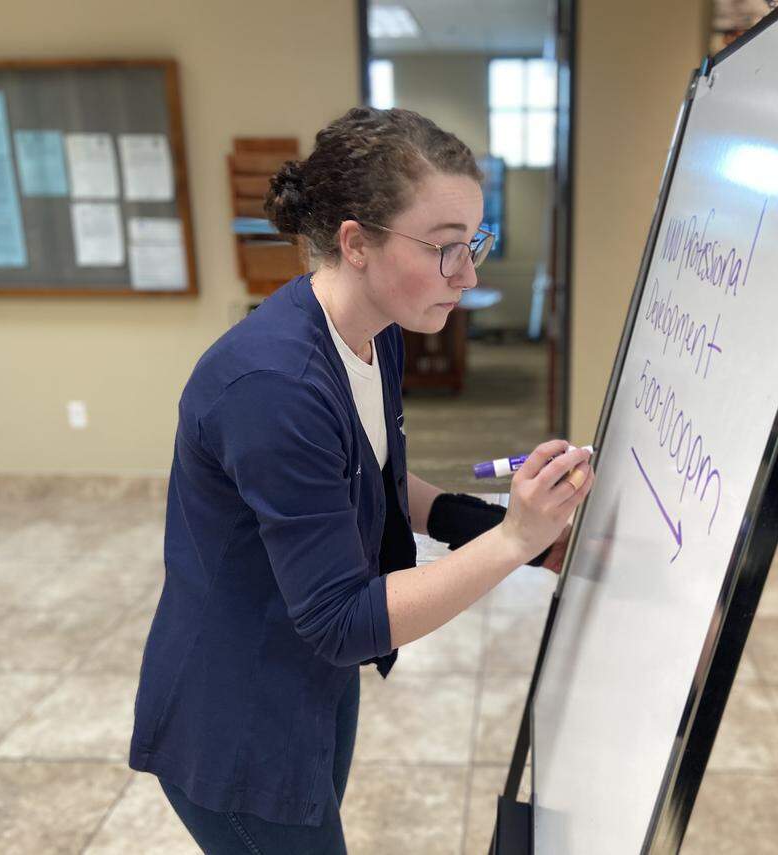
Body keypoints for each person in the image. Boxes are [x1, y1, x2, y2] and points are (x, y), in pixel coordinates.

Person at [128, 106, 594, 853]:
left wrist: (514, 529)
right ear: (356, 243)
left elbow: (372, 476)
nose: (468, 275)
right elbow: (343, 618)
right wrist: (514, 539)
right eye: (446, 249)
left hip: (307, 680)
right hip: (237, 715)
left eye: (475, 243)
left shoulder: (376, 332)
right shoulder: (274, 385)